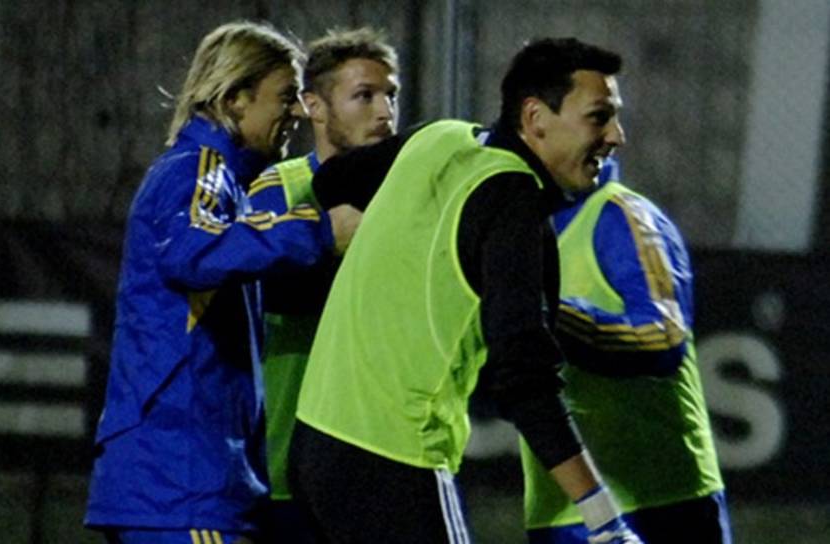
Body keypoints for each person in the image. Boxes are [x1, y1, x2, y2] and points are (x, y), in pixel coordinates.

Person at [289, 38, 642, 544]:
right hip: (395, 462)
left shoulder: (440, 136)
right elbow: (526, 381)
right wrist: (604, 519)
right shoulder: (514, 201)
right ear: (536, 117)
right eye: (599, 117)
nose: (616, 136)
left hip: (315, 445)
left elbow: (333, 180)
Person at [84, 20, 358, 544]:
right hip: (182, 481)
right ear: (235, 98)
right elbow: (192, 253)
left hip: (183, 481)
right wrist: (319, 231)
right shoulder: (197, 169)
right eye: (285, 96)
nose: (298, 112)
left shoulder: (223, 179)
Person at [520, 157, 732, 543]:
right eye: (597, 123)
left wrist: (544, 315)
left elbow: (661, 339)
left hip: (661, 503)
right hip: (559, 509)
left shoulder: (623, 216)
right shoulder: (511, 230)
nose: (614, 135)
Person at [248, 27, 399, 541]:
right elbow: (265, 289)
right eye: (364, 96)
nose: (385, 112)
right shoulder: (279, 190)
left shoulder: (406, 197)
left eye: (390, 95)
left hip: (376, 461)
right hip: (284, 463)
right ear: (313, 105)